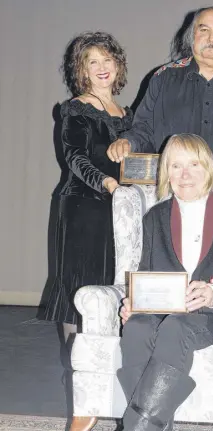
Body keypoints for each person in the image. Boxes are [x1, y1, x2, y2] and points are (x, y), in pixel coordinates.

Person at [84, 134, 213, 431]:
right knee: (136, 328)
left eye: (193, 164)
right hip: (165, 313)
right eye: (176, 165)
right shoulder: (157, 216)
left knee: (176, 329)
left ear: (207, 167)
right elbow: (147, 275)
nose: (185, 173)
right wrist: (134, 301)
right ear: (166, 172)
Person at [107, 6, 213, 178]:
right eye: (204, 30)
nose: (212, 38)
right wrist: (127, 141)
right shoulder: (164, 78)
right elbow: (144, 128)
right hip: (175, 188)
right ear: (192, 36)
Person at [44, 32, 132, 343]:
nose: (101, 67)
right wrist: (107, 183)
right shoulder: (76, 109)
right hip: (83, 206)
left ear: (118, 66)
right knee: (79, 286)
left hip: (118, 208)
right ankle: (76, 368)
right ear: (81, 71)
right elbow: (74, 158)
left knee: (109, 283)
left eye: (107, 60)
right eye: (92, 62)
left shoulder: (127, 115)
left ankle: (103, 362)